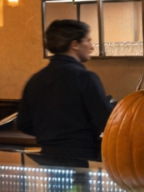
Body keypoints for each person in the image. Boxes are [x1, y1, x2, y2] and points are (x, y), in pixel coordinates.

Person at [17, 20, 111, 162]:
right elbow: (107, 122)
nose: (91, 47)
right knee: (79, 186)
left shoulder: (35, 80)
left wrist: (50, 135)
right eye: (88, 40)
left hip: (47, 155)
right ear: (74, 44)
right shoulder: (85, 77)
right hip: (82, 155)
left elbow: (24, 123)